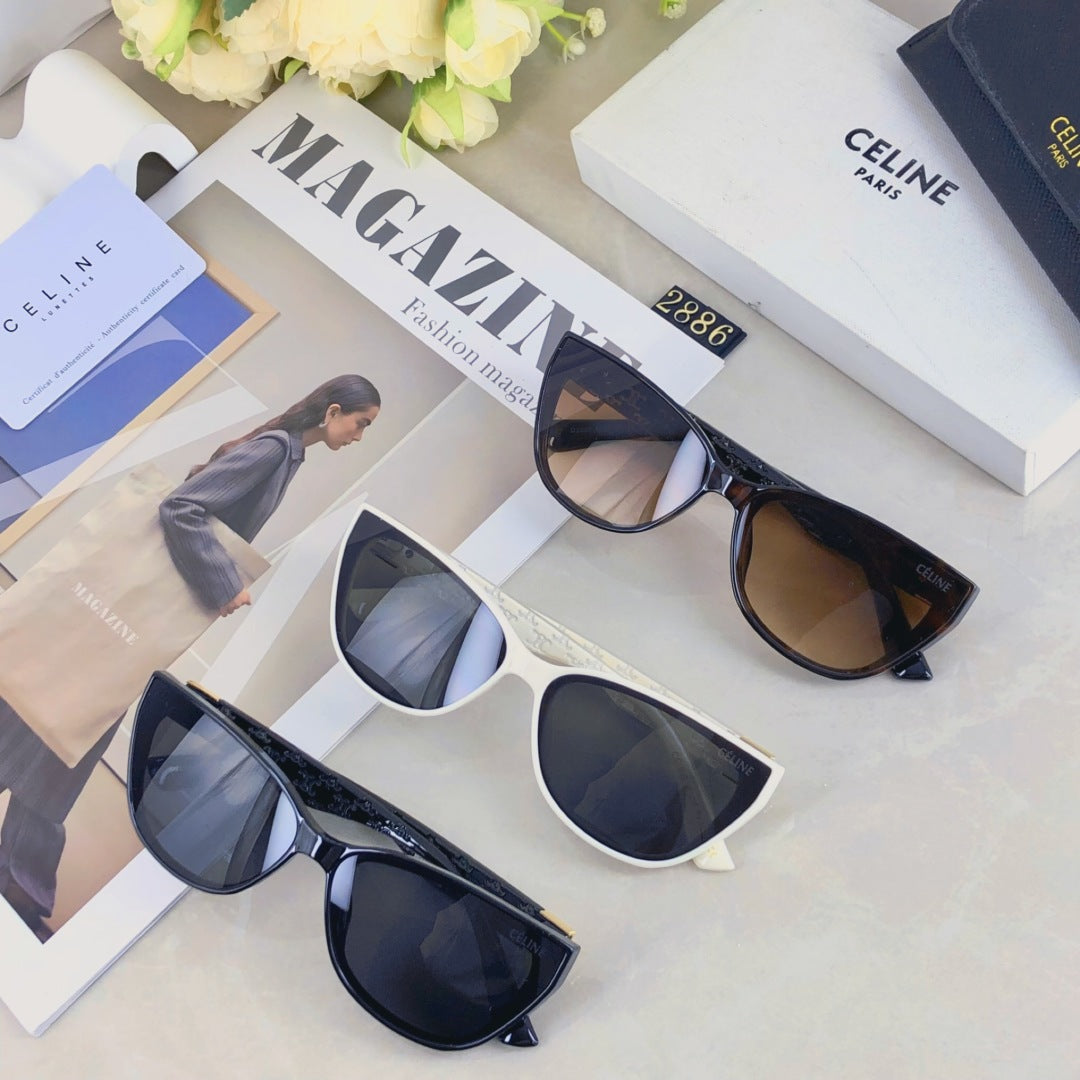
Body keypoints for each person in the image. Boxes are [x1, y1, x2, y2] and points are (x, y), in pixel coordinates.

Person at [0, 374, 381, 938]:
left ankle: (21, 876)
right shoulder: (275, 451)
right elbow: (181, 507)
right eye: (360, 423)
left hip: (119, 618)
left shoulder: (284, 452)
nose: (359, 436)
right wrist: (225, 583)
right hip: (122, 620)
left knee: (60, 718)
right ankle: (21, 878)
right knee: (70, 724)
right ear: (332, 411)